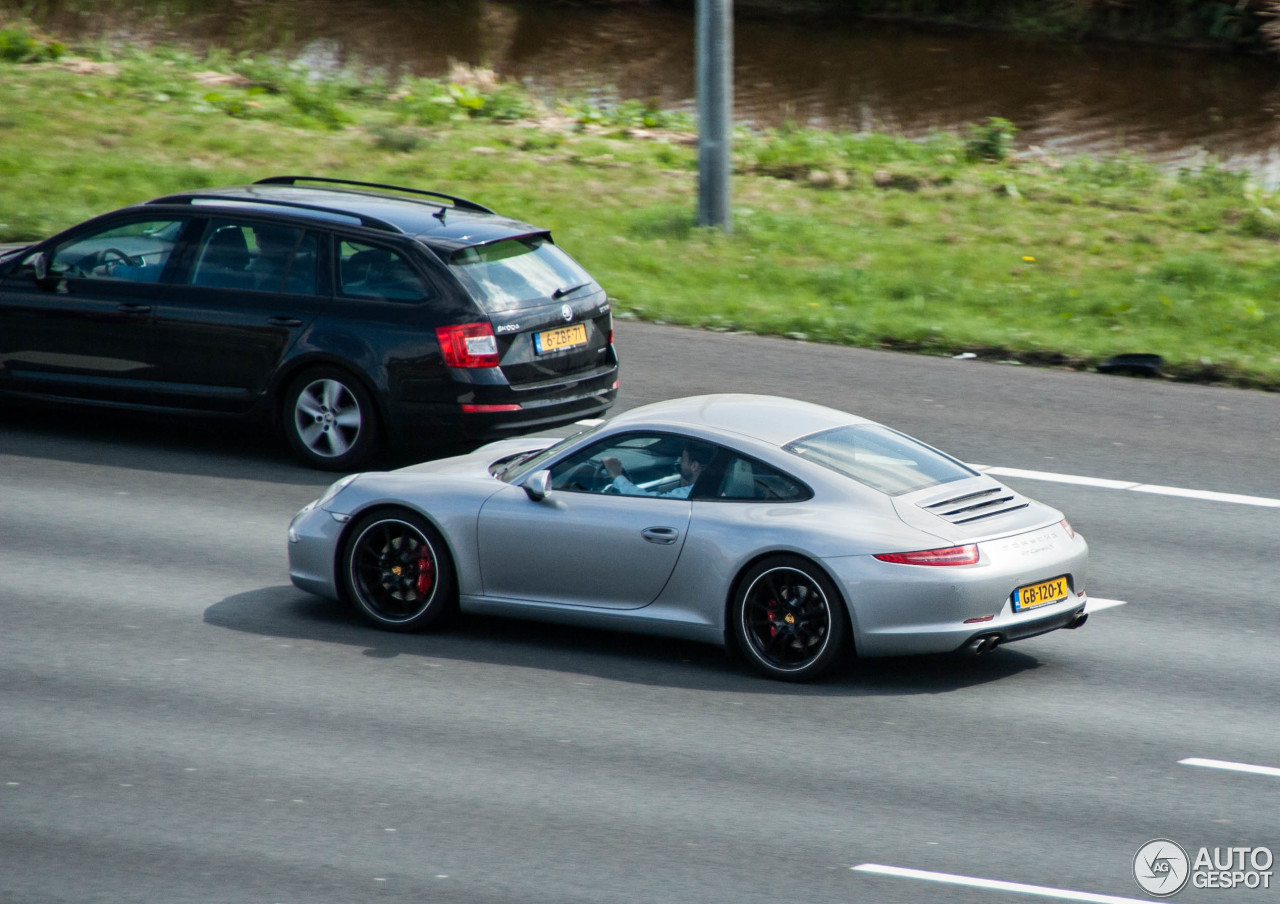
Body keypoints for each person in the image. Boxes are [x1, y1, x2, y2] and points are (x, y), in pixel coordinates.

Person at [602, 442, 712, 498]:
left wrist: (617, 476)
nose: (680, 461)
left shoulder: (690, 492)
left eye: (683, 459)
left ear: (694, 466)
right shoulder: (712, 487)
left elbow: (647, 501)